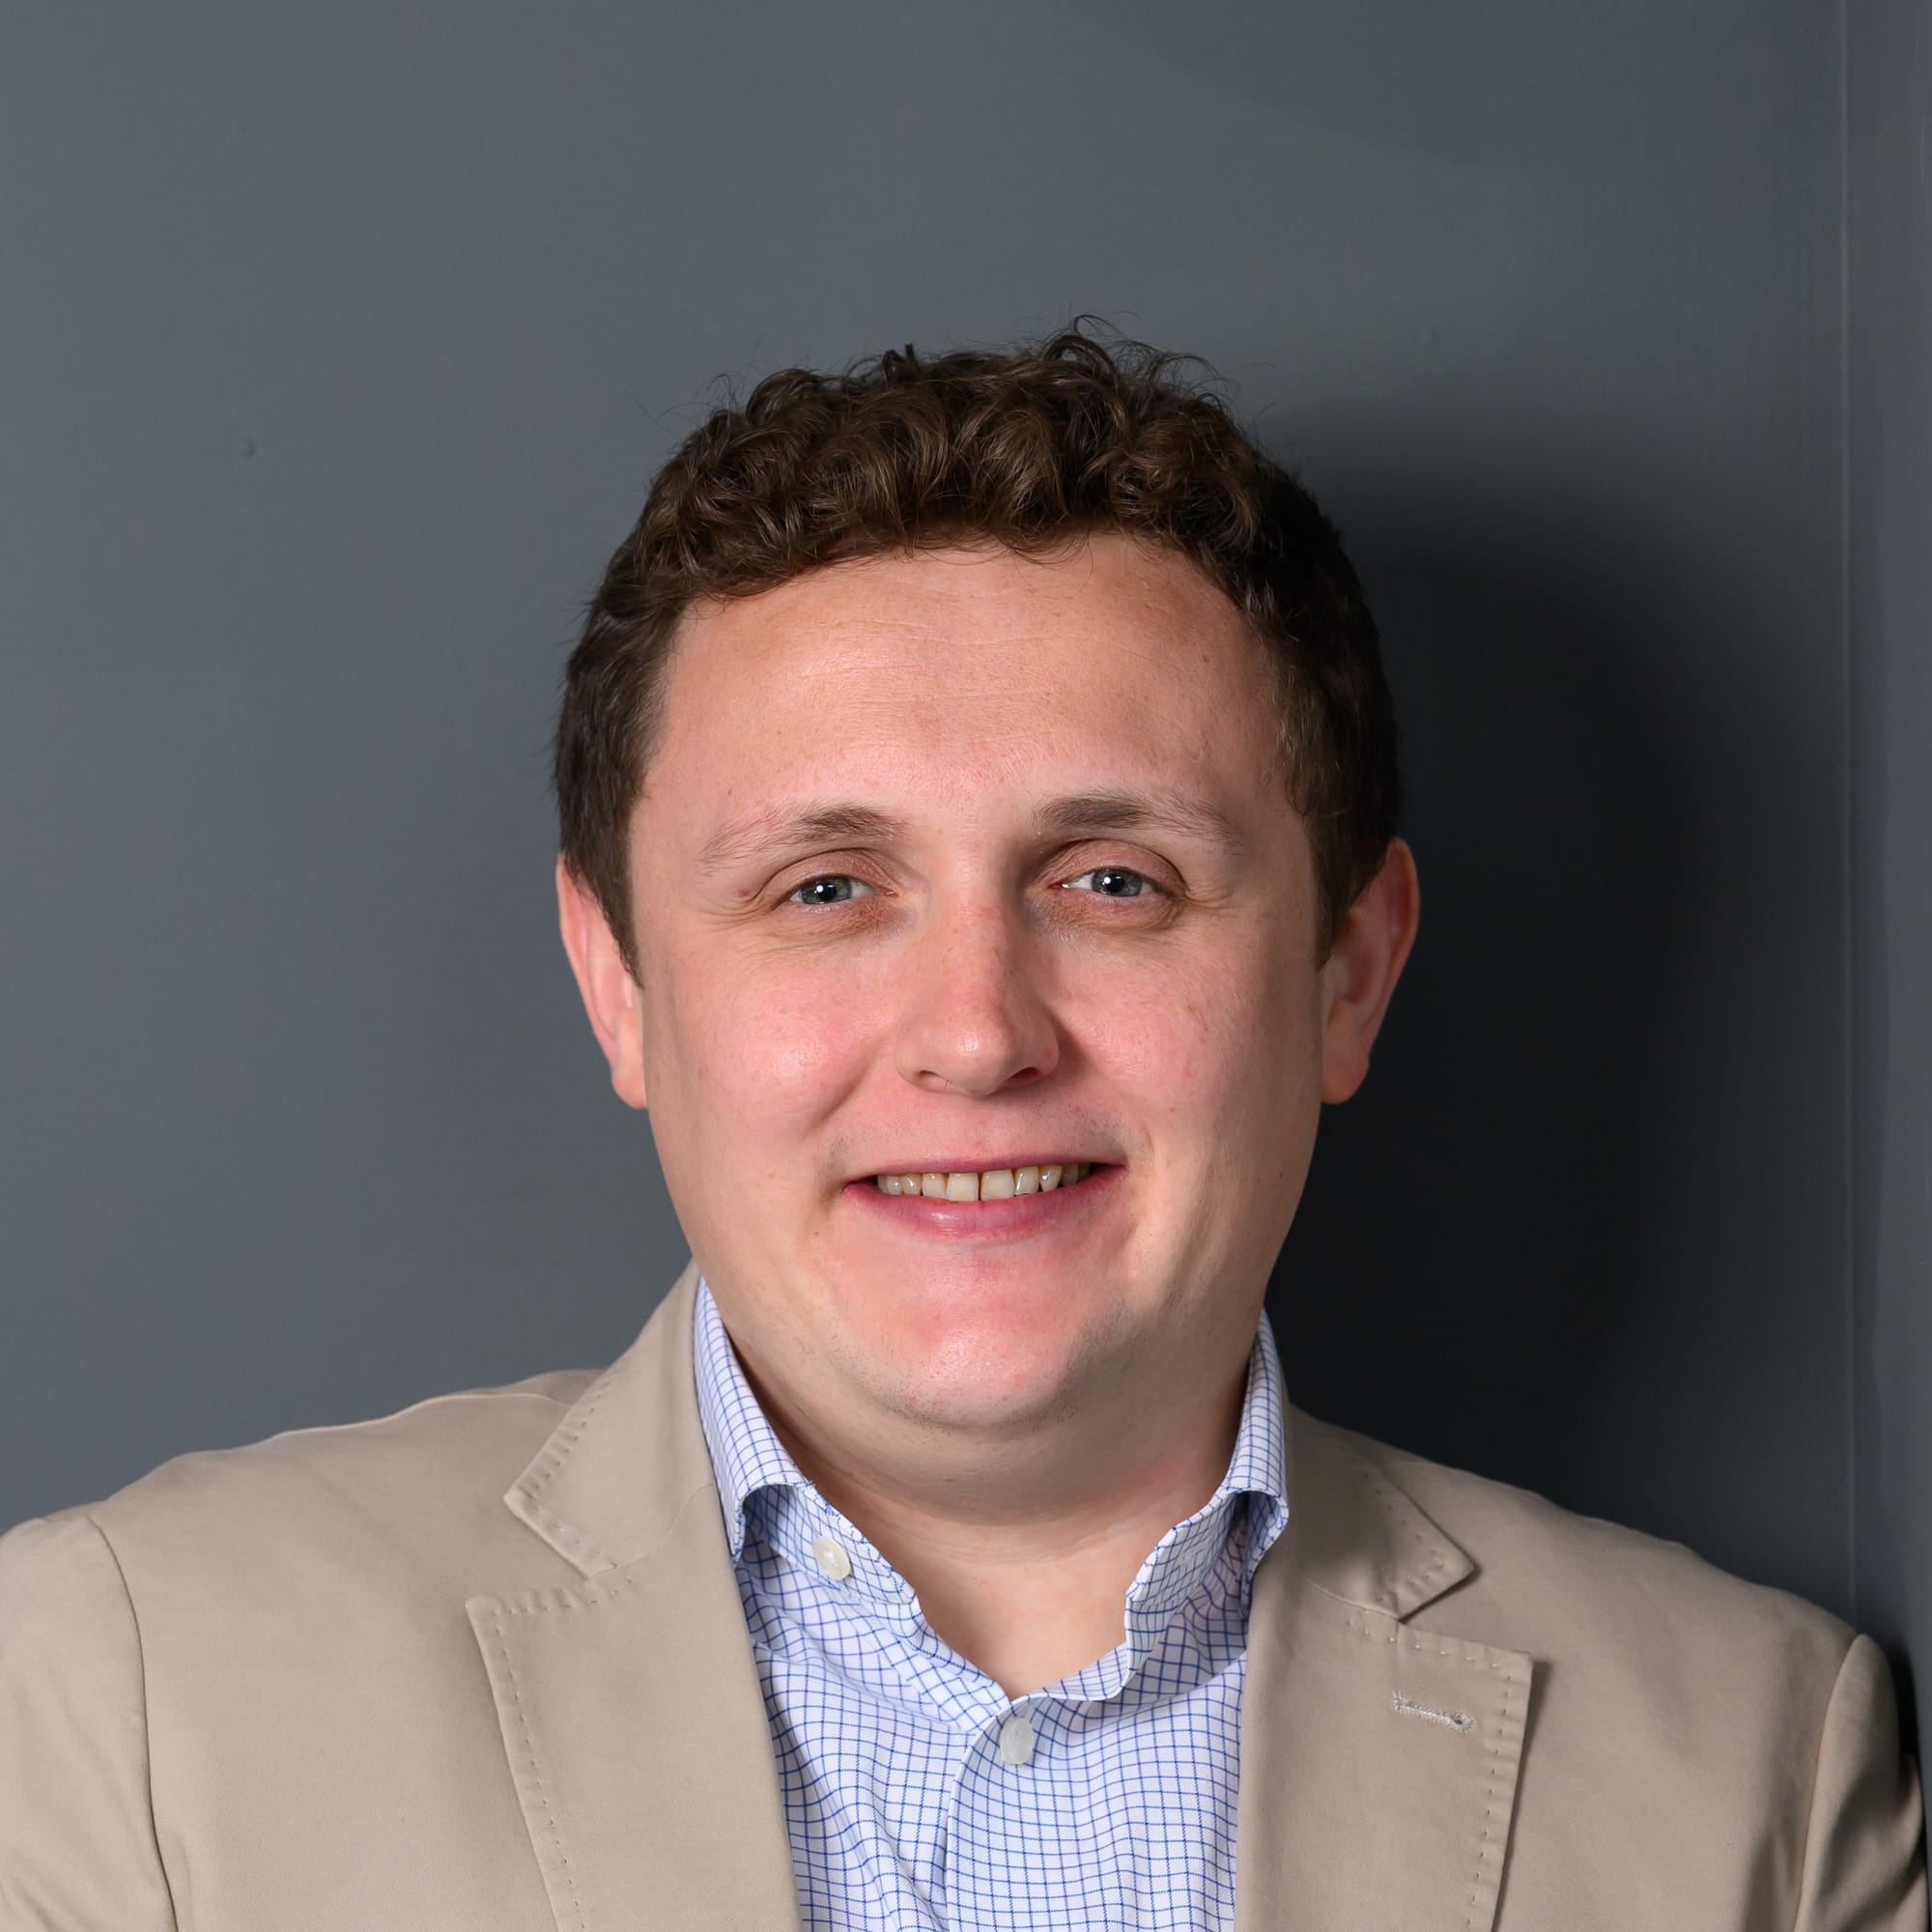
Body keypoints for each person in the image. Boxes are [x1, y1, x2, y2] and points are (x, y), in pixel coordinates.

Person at [0, 325, 1922, 1931]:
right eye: (827, 888)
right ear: (620, 983)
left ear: (1347, 972)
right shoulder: (121, 1701)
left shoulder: (1753, 1780)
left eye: (1112, 881)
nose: (980, 1035)